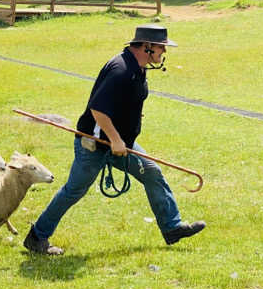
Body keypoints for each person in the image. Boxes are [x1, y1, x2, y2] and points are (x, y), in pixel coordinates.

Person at [24, 24, 205, 255]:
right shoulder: (121, 69)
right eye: (161, 47)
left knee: (152, 172)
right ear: (147, 46)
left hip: (120, 144)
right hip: (94, 145)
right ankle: (37, 236)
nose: (164, 52)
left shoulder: (138, 67)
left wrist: (123, 136)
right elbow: (98, 110)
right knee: (74, 191)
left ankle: (172, 227)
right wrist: (116, 139)